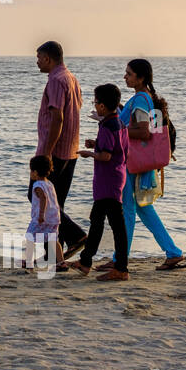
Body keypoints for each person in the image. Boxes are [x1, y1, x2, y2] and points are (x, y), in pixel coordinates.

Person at [96, 59, 186, 272]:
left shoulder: (140, 99)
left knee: (127, 209)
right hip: (135, 160)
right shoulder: (141, 98)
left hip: (131, 162)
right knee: (143, 208)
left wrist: (118, 131)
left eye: (128, 73)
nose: (125, 77)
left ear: (141, 77)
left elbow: (144, 132)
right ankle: (172, 252)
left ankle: (120, 258)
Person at [66, 84, 130, 280]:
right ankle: (86, 262)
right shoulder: (119, 123)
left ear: (102, 106)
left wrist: (90, 153)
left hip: (108, 181)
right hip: (115, 178)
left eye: (95, 102)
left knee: (116, 225)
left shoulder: (106, 126)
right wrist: (96, 144)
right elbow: (118, 148)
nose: (95, 106)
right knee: (97, 220)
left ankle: (121, 268)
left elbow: (106, 156)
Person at [34, 41, 87, 257]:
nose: (37, 61)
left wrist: (47, 151)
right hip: (71, 149)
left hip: (55, 151)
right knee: (57, 202)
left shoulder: (56, 80)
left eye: (38, 57)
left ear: (48, 58)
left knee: (37, 195)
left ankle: (76, 236)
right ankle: (55, 256)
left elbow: (58, 117)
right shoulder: (71, 78)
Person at [24, 155, 63, 273]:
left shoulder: (37, 185)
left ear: (35, 172)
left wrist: (41, 215)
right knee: (54, 240)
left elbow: (43, 199)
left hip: (41, 218)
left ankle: (29, 264)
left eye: (31, 170)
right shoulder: (49, 183)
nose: (30, 173)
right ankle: (61, 262)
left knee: (30, 238)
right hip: (54, 218)